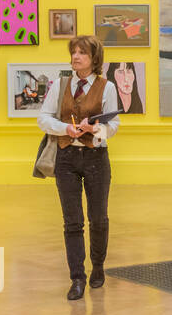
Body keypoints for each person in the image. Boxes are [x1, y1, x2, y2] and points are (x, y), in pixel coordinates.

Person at [36, 36, 120, 300]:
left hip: (96, 158)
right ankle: (77, 278)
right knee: (72, 222)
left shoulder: (107, 87)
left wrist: (97, 129)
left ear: (94, 58)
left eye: (82, 52)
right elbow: (43, 118)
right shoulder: (61, 85)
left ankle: (98, 266)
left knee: (98, 218)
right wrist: (66, 129)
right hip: (66, 157)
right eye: (73, 52)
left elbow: (114, 125)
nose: (75, 57)